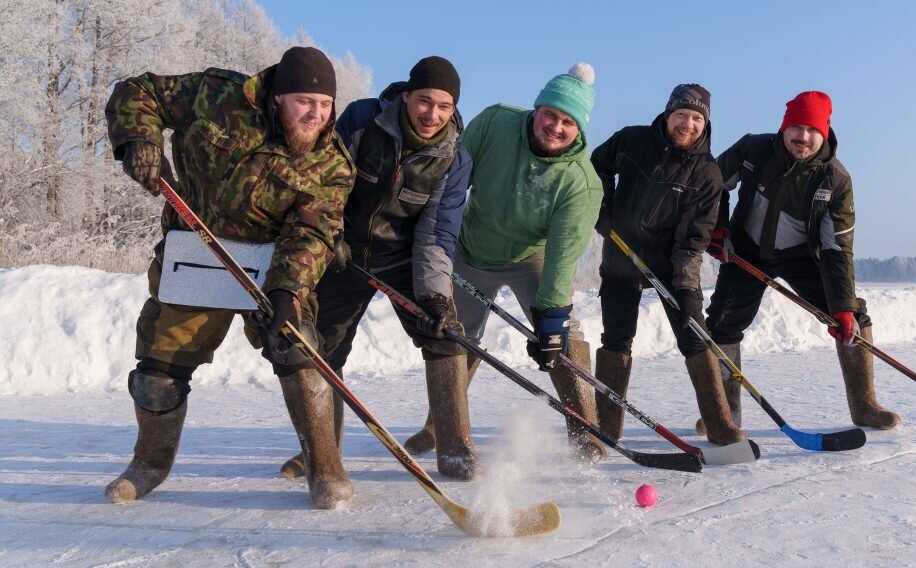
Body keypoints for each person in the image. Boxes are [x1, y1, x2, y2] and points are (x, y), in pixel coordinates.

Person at [104, 46, 356, 509]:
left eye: (324, 105)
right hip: (196, 255)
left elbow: (313, 230)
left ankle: (326, 468)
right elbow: (139, 92)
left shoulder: (332, 162)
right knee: (156, 377)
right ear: (278, 97)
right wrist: (139, 140)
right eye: (304, 101)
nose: (315, 114)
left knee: (297, 348)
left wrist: (288, 291)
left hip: (268, 267)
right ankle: (149, 465)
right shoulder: (215, 96)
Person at [277, 56, 477, 482]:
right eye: (425, 101)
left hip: (402, 257)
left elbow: (438, 232)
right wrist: (331, 235)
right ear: (407, 96)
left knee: (443, 333)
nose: (432, 114)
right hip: (341, 250)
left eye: (444, 106)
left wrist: (435, 295)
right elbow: (326, 181)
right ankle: (321, 450)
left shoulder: (455, 158)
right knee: (321, 348)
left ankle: (456, 448)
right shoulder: (364, 120)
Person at [406, 63, 607, 462]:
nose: (555, 126)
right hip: (470, 246)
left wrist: (551, 320)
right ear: (536, 110)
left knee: (565, 336)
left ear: (579, 130)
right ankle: (440, 426)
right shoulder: (496, 122)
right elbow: (452, 182)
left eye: (568, 121)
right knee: (452, 335)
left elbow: (563, 256)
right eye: (550, 114)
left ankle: (587, 433)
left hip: (529, 256)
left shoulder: (582, 183)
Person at [704, 90, 900, 430]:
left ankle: (865, 406)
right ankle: (724, 415)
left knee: (852, 313)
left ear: (824, 132)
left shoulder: (835, 180)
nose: (803, 137)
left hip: (800, 257)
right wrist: (718, 231)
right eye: (796, 126)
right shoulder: (753, 149)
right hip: (746, 250)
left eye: (812, 129)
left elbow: (837, 248)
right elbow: (711, 184)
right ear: (783, 127)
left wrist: (841, 306)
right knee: (721, 324)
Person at [589, 84, 746, 444]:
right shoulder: (631, 140)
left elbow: (693, 241)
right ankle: (605, 428)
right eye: (681, 115)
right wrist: (603, 211)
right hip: (621, 253)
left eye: (696, 117)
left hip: (669, 265)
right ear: (667, 113)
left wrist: (688, 289)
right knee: (615, 339)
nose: (687, 124)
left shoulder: (708, 175)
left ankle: (720, 426)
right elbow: (595, 167)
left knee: (694, 335)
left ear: (705, 122)